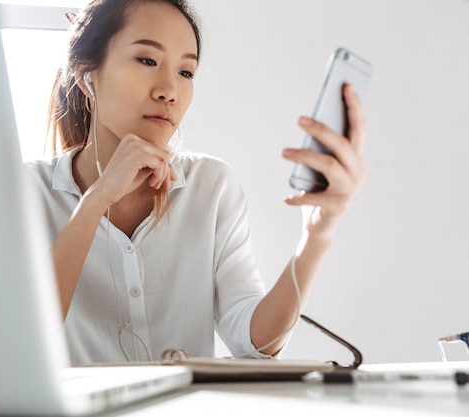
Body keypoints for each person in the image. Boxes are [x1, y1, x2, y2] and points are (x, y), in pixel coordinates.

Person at [25, 0, 366, 364]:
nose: (169, 90)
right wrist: (96, 200)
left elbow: (257, 344)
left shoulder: (210, 185)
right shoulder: (27, 190)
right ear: (87, 75)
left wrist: (316, 237)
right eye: (147, 60)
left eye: (186, 72)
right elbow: (21, 337)